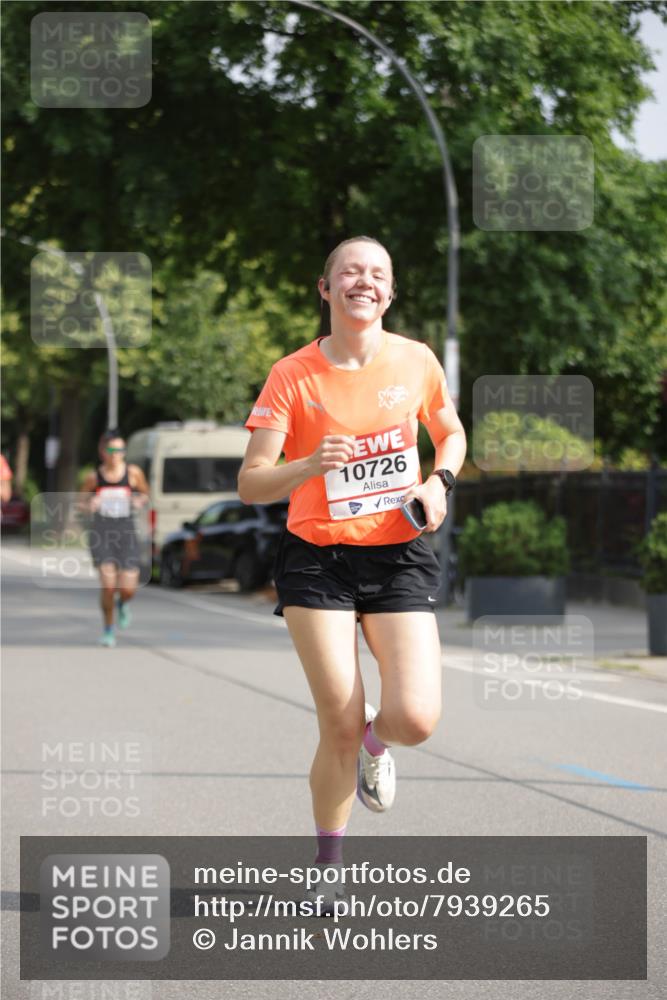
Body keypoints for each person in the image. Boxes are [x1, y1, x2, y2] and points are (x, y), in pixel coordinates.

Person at [238, 236, 466, 912]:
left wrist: (439, 482)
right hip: (317, 559)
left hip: (398, 549)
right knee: (334, 722)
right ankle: (328, 862)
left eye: (376, 274)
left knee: (416, 718)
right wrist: (308, 465)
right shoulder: (293, 375)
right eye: (349, 272)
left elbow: (449, 431)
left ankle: (377, 742)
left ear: (389, 292)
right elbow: (251, 483)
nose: (362, 282)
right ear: (326, 288)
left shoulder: (416, 360)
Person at [81, 430, 150, 647]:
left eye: (120, 450)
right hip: (102, 533)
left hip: (126, 531)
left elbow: (145, 494)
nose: (116, 454)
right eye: (112, 450)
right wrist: (89, 505)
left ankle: (123, 604)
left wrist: (140, 500)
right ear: (103, 452)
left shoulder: (133, 473)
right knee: (109, 586)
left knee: (128, 588)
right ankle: (109, 629)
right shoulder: (94, 477)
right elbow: (80, 502)